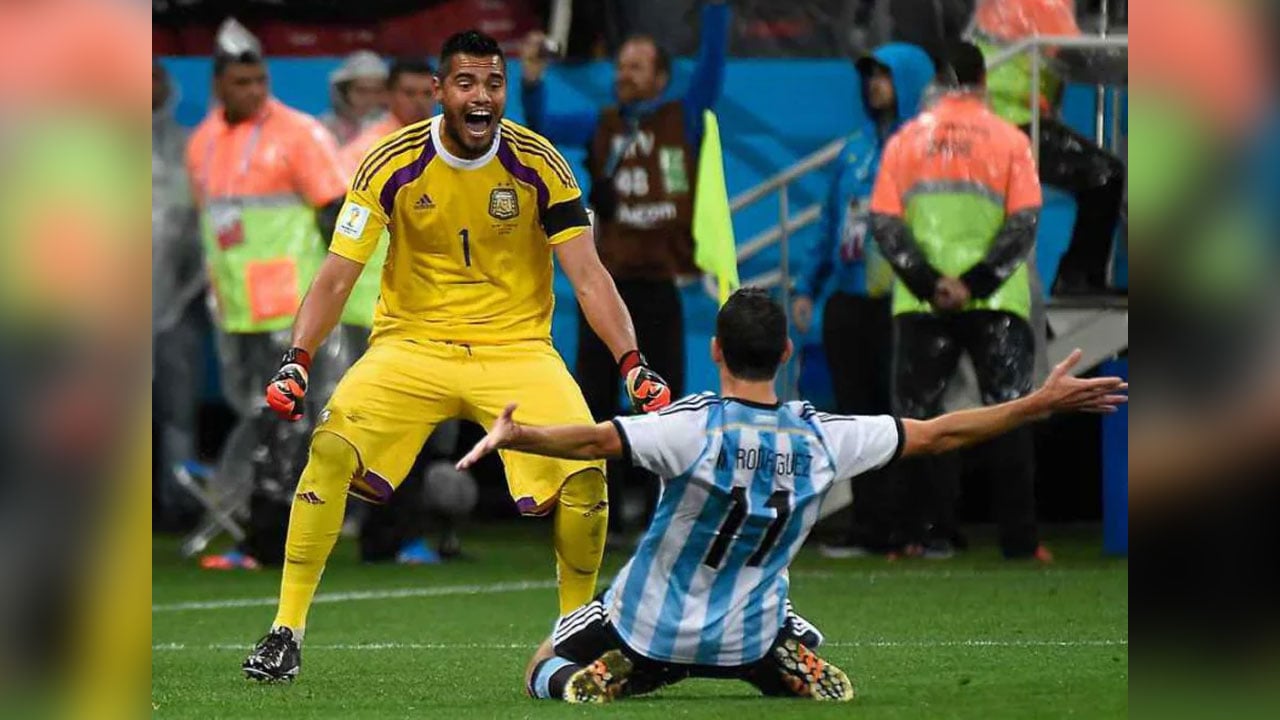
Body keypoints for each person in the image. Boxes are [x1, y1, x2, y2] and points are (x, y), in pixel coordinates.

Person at [241, 30, 674, 682]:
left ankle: (576, 635)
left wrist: (632, 362)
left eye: (494, 83)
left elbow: (589, 276)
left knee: (586, 471)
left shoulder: (542, 164)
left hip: (516, 349)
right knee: (329, 452)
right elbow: (336, 275)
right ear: (440, 92)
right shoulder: (389, 163)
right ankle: (285, 632)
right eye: (466, 83)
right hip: (411, 346)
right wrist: (297, 358)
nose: (482, 96)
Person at [451, 288, 1126, 704]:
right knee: (776, 617)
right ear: (786, 354)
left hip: (652, 626)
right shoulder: (822, 436)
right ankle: (782, 657)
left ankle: (602, 676)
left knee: (543, 663)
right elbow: (939, 433)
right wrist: (1037, 403)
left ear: (717, 351)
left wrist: (520, 433)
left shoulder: (691, 426)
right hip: (747, 634)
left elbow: (596, 440)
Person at [519, 0, 731, 540]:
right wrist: (533, 80)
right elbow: (540, 126)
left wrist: (716, 9)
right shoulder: (602, 123)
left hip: (659, 288)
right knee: (593, 400)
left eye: (636, 66)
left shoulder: (684, 117)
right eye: (621, 66)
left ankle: (662, 512)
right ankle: (599, 510)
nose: (624, 74)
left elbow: (712, 63)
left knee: (664, 406)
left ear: (661, 77)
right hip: (606, 292)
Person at [870, 41, 1048, 560]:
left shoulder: (905, 140)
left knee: (916, 422)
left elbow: (885, 224)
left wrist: (931, 284)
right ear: (983, 81)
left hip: (921, 303)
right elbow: (1024, 223)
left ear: (937, 83)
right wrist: (975, 282)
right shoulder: (1011, 139)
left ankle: (916, 536)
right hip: (996, 299)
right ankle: (1021, 542)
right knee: (1011, 414)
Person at [185, 19, 350, 569]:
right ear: (218, 85)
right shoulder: (202, 143)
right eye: (242, 82)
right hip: (236, 312)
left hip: (291, 308)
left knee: (289, 423)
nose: (254, 91)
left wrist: (329, 300)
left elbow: (337, 218)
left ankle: (272, 540)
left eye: (260, 80)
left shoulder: (301, 134)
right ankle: (268, 535)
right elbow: (213, 228)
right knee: (261, 423)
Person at [791, 43, 936, 558]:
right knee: (856, 419)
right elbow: (829, 223)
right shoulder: (853, 150)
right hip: (849, 299)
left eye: (886, 75)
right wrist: (808, 287)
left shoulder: (926, 147)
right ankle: (869, 527)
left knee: (905, 414)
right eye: (870, 75)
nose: (875, 84)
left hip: (905, 301)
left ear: (911, 80)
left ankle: (913, 527)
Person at [336, 58, 462, 565]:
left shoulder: (452, 151)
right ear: (389, 96)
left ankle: (401, 533)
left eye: (423, 93)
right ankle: (385, 535)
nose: (416, 102)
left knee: (424, 426)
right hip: (373, 311)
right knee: (383, 426)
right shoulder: (363, 153)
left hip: (432, 309)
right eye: (406, 92)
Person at [972, 0, 1127, 295]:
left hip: (994, 114)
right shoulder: (1044, 3)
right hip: (1012, 119)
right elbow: (1080, 58)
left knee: (1099, 174)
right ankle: (1077, 278)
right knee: (1105, 175)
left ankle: (1076, 276)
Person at [153, 60, 204, 531]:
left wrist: (186, 296)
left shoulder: (191, 147)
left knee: (178, 412)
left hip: (177, 306)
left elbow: (202, 228)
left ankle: (180, 503)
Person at [319, 50, 389, 146]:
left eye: (377, 91)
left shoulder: (395, 127)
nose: (370, 98)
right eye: (362, 90)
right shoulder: (323, 127)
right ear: (344, 92)